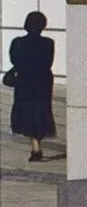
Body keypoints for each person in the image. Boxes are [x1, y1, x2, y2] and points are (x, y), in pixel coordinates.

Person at [8, 11, 56, 163]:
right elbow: (48, 62)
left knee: (27, 113)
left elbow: (14, 59)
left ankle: (35, 146)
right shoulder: (48, 43)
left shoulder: (18, 42)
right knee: (40, 112)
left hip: (24, 81)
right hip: (42, 82)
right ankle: (37, 145)